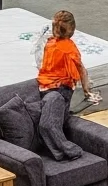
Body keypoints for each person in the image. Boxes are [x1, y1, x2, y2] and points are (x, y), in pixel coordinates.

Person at [34, 10, 94, 161]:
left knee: (50, 123)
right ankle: (62, 152)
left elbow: (79, 68)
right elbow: (80, 68)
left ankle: (67, 151)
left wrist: (86, 89)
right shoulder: (58, 44)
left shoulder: (56, 44)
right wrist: (86, 89)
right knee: (53, 122)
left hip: (55, 90)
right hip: (54, 89)